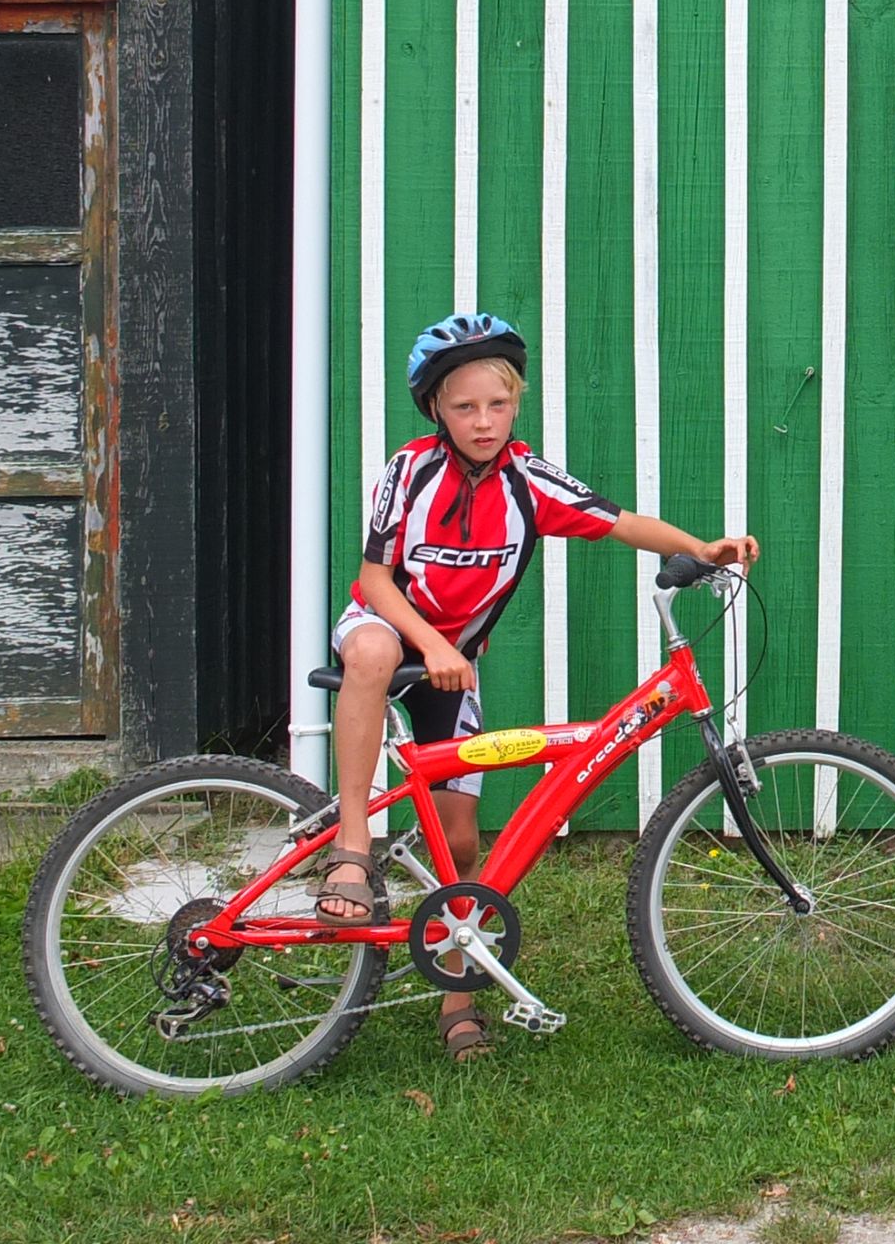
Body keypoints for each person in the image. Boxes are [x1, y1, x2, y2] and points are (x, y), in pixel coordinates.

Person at [317, 311, 759, 1061]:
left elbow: (622, 522)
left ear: (516, 403)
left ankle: (459, 998)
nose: (483, 421)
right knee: (370, 652)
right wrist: (429, 643)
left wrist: (701, 547)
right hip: (391, 628)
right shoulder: (409, 471)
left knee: (462, 843)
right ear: (436, 409)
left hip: (454, 667)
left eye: (497, 404)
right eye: (464, 407)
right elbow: (376, 579)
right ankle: (353, 844)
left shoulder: (528, 480)